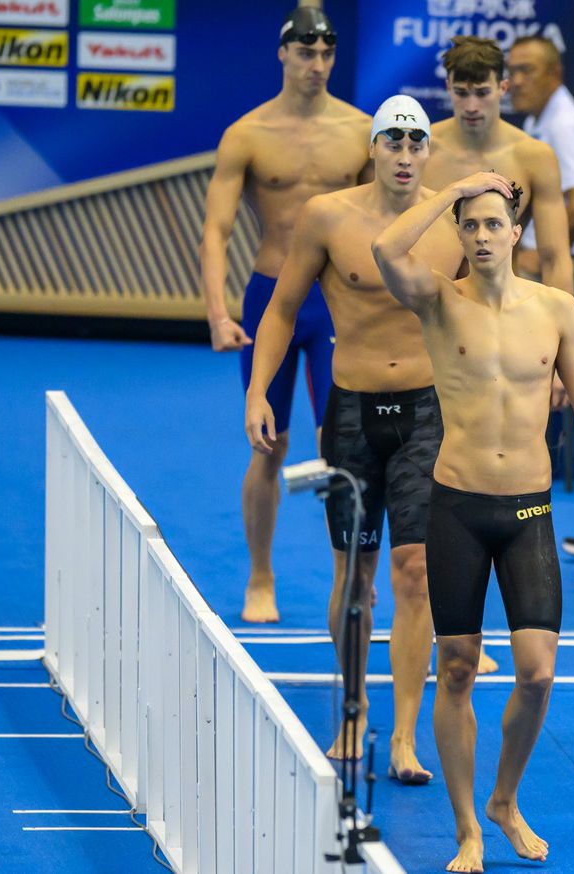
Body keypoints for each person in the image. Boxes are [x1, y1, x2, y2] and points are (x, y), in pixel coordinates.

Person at [372, 172, 574, 873]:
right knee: (455, 668)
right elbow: (385, 247)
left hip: (528, 510)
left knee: (537, 672)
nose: (484, 235)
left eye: (495, 223)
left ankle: (505, 799)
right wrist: (454, 190)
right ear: (458, 234)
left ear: (516, 232)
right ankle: (469, 830)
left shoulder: (555, 310)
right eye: (472, 225)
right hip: (457, 504)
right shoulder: (438, 301)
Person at [244, 97, 463, 777]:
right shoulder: (328, 217)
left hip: (428, 412)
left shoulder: (455, 223)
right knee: (357, 576)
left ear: (429, 151)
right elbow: (281, 310)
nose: (404, 155)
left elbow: (491, 313)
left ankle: (403, 734)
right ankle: (352, 706)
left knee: (417, 572)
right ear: (372, 148)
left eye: (416, 143)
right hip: (352, 414)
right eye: (391, 142)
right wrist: (258, 390)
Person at [200, 7, 370, 624]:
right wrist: (218, 314)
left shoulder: (360, 130)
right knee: (268, 445)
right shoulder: (247, 134)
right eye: (306, 53)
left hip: (337, 303)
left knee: (343, 449)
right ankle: (261, 575)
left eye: (326, 55)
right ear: (283, 54)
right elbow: (217, 232)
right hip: (271, 296)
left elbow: (383, 220)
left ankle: (350, 578)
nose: (317, 66)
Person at [424, 36, 573, 298]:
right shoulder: (422, 150)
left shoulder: (533, 157)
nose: (471, 106)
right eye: (461, 93)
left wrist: (565, 334)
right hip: (426, 306)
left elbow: (554, 258)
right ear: (448, 87)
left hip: (499, 309)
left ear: (502, 87)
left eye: (482, 93)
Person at [507, 36, 574, 302]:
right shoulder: (541, 118)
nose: (517, 82)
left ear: (555, 73)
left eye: (527, 70)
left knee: (492, 283)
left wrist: (541, 256)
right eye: (512, 71)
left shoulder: (563, 126)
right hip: (568, 256)